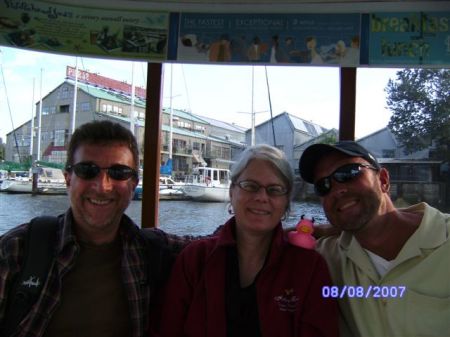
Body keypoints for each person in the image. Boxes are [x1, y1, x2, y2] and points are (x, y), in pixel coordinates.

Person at [0, 120, 180, 337]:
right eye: (87, 170)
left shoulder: (153, 250)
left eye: (119, 172)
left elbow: (221, 240)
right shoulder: (16, 250)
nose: (102, 186)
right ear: (68, 179)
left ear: (133, 184)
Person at [157, 144, 338, 337]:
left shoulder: (309, 268)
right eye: (250, 186)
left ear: (286, 203)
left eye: (274, 190)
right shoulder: (194, 260)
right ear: (232, 192)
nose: (261, 197)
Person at [298, 140, 450, 337]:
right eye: (323, 185)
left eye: (348, 173)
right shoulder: (326, 257)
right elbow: (266, 242)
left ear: (384, 180)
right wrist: (318, 230)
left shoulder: (444, 237)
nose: (336, 189)